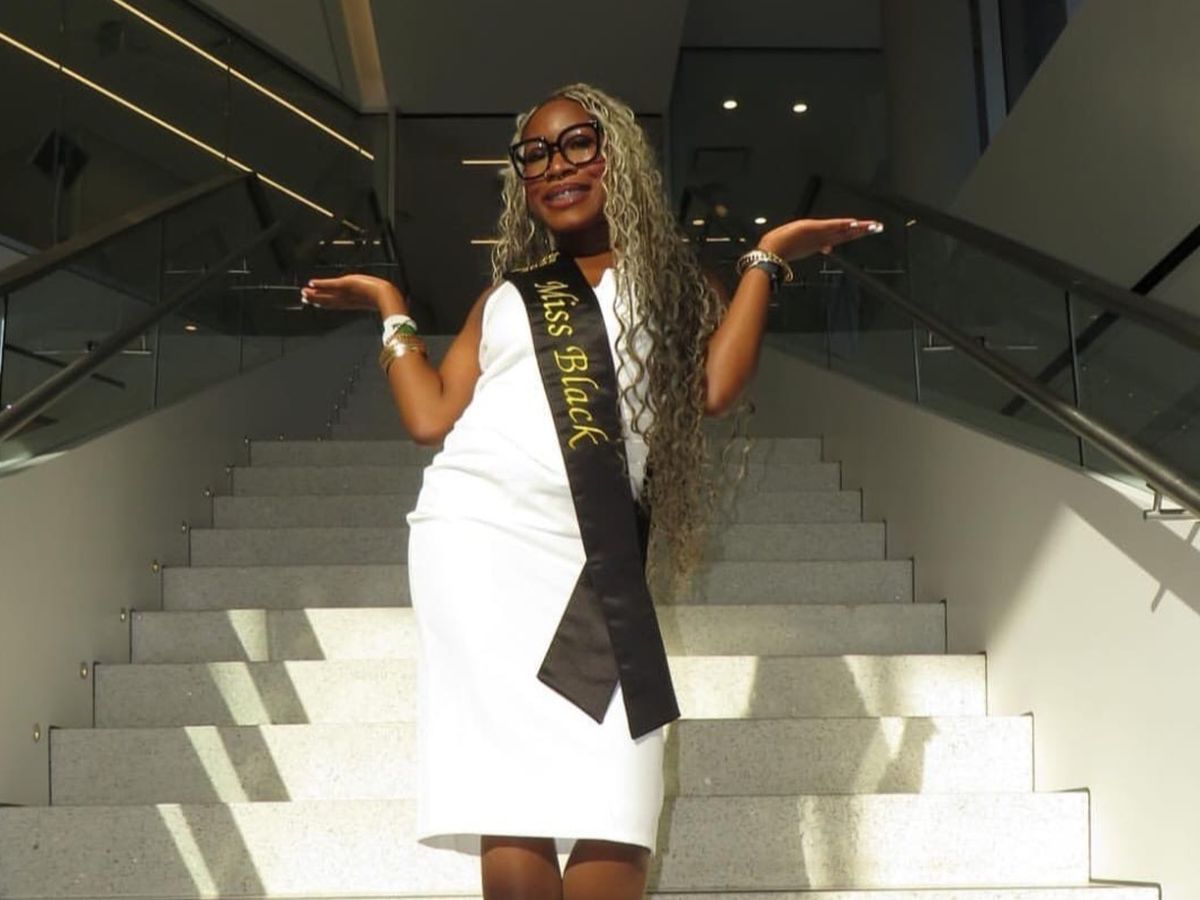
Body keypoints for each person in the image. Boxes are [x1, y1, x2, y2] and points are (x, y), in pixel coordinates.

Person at [299, 82, 881, 900]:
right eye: (535, 154)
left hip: (592, 556)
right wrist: (391, 308)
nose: (555, 166)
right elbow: (430, 416)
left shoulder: (672, 282)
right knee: (511, 797)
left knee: (617, 795)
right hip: (475, 540)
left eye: (577, 143)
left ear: (618, 157)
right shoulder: (507, 296)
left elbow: (715, 389)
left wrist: (764, 258)